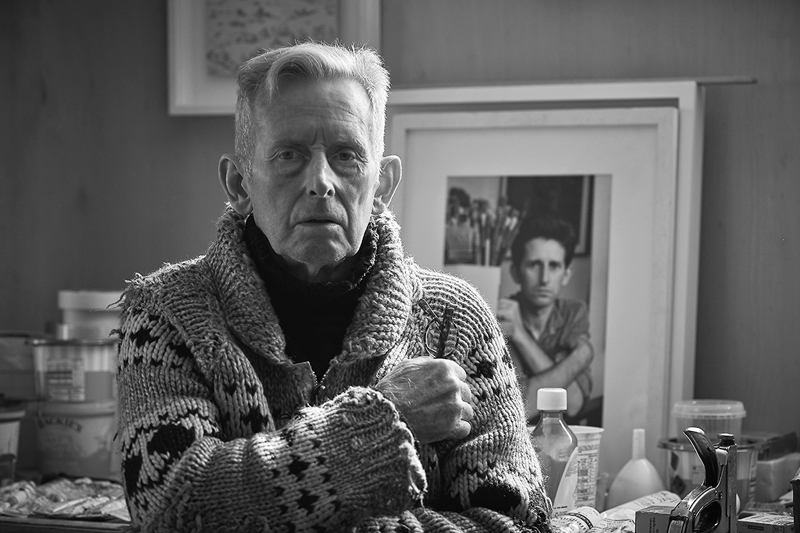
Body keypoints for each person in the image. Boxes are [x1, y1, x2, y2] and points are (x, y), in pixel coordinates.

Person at [115, 42, 550, 532]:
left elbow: (518, 522)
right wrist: (388, 418)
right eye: (289, 155)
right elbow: (171, 508)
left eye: (346, 156)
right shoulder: (166, 313)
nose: (320, 181)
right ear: (239, 185)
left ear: (382, 186)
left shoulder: (456, 320)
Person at [496, 215, 595, 423]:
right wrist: (580, 356)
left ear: (566, 274)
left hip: (562, 438)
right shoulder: (501, 318)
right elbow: (520, 406)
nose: (544, 279)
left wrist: (520, 336)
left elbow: (574, 403)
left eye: (554, 266)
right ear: (516, 272)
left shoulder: (573, 313)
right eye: (534, 265)